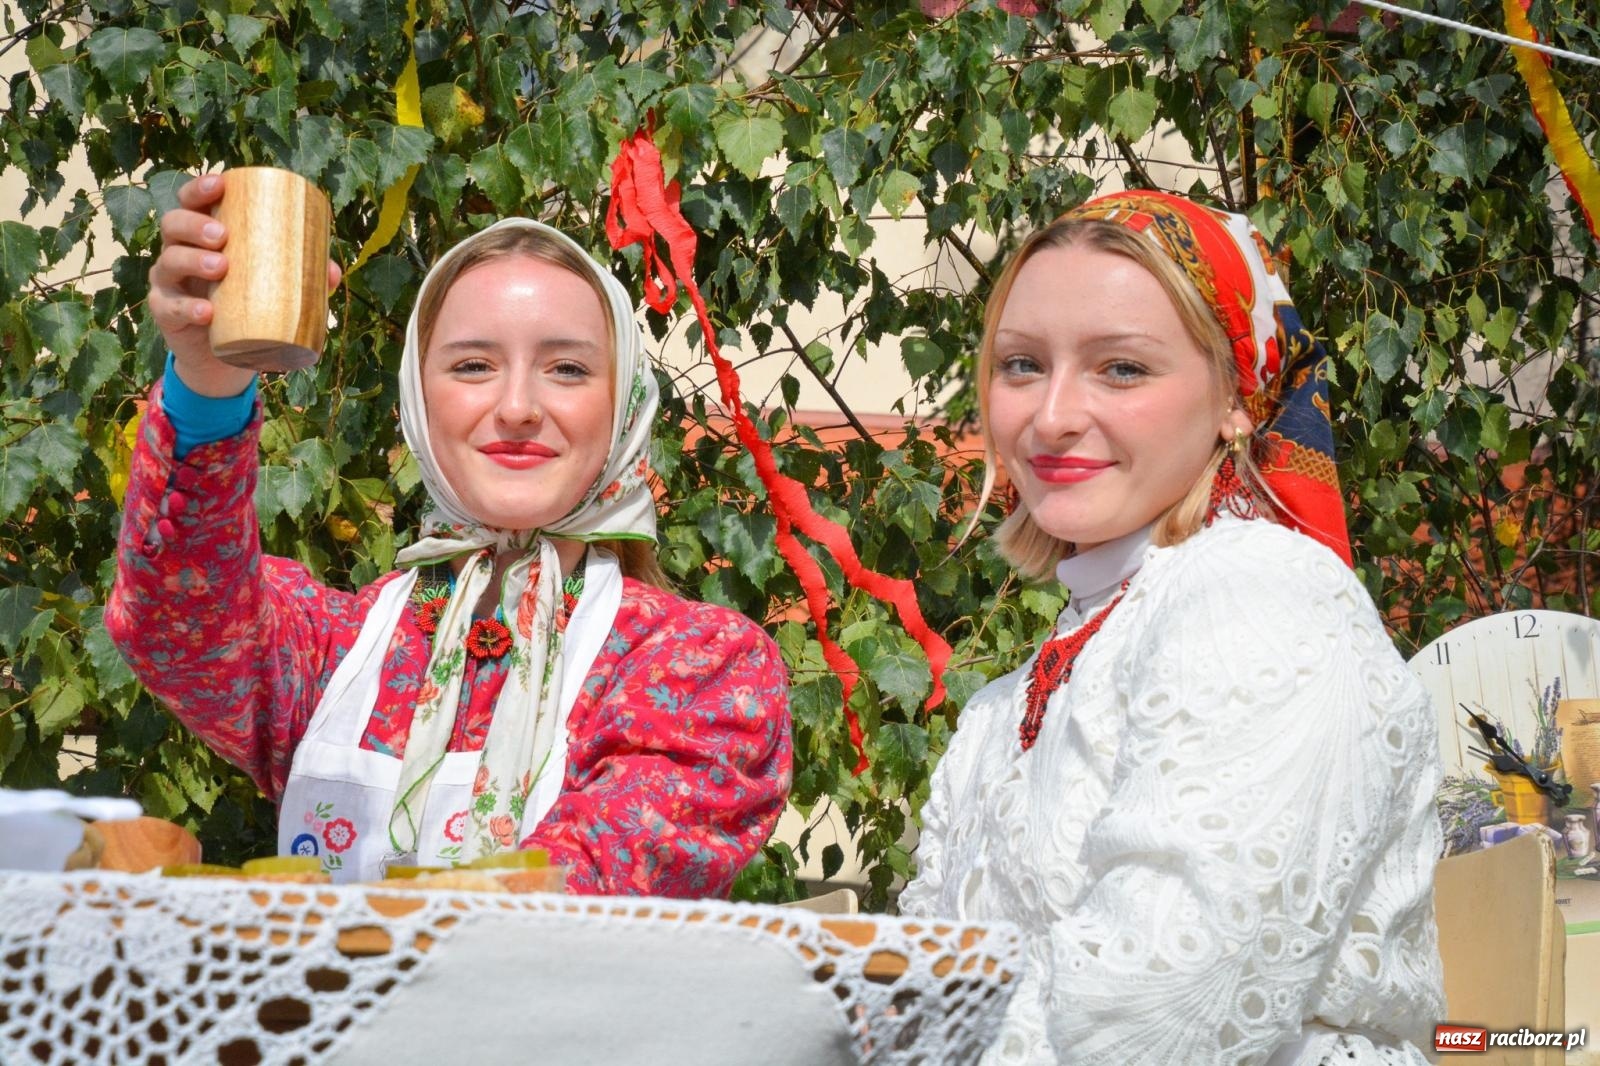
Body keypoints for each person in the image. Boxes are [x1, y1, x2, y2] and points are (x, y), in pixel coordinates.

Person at [107, 172, 792, 896]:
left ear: (622, 405)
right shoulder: (335, 649)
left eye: (567, 368)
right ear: (419, 398)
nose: (519, 406)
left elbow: (589, 885)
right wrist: (207, 373)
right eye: (473, 366)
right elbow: (178, 618)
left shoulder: (701, 668)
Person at [898, 190, 1444, 1064]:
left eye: (1121, 369)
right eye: (1022, 365)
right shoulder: (1013, 698)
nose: (1051, 417)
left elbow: (1166, 1005)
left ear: (1236, 397)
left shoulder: (1261, 601)